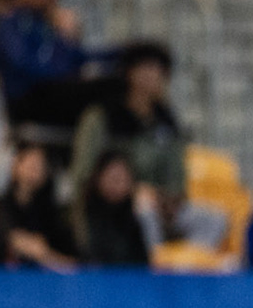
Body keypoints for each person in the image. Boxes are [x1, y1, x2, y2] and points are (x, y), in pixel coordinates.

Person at [70, 40, 185, 246]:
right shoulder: (102, 117)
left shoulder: (166, 121)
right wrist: (127, 191)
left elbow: (176, 178)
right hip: (108, 205)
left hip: (158, 204)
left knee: (211, 220)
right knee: (145, 211)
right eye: (148, 69)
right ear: (131, 73)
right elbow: (83, 173)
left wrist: (169, 200)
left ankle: (191, 265)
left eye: (160, 71)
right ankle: (153, 264)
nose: (155, 76)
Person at [0, 139, 74, 267]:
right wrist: (62, 266)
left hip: (38, 275)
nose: (35, 169)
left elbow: (65, 246)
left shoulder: (47, 211)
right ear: (16, 166)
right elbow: (21, 243)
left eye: (41, 165)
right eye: (31, 163)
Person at [72, 149, 148, 266]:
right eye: (113, 178)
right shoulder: (82, 214)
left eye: (122, 178)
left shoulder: (137, 212)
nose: (118, 184)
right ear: (98, 178)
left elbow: (151, 260)